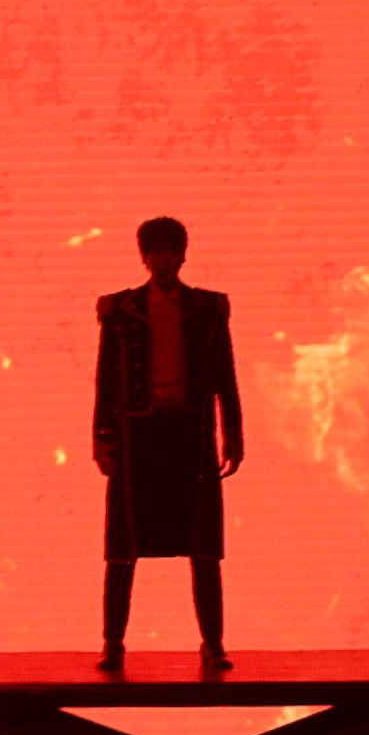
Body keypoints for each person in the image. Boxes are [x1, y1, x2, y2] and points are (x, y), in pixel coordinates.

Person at [89, 216, 241, 680]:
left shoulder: (208, 309)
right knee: (122, 547)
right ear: (144, 256)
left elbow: (225, 376)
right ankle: (113, 644)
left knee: (204, 546)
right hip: (137, 436)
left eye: (170, 250)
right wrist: (103, 438)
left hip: (191, 433)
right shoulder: (120, 311)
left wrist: (233, 434)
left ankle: (213, 643)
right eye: (155, 250)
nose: (163, 259)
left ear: (182, 255)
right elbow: (106, 380)